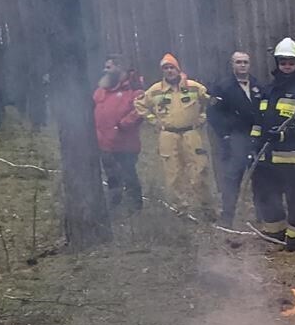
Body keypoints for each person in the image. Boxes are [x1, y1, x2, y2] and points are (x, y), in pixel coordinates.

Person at [248, 37, 295, 252]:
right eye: (283, 62)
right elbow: (258, 120)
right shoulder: (268, 89)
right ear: (277, 64)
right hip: (266, 158)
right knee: (267, 198)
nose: (286, 66)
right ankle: (274, 235)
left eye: (291, 62)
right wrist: (254, 143)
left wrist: (287, 134)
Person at [134, 53, 215, 219]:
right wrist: (153, 120)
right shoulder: (156, 90)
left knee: (200, 170)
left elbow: (211, 103)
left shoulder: (194, 87)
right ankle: (181, 210)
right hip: (168, 135)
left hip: (191, 134)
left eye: (172, 67)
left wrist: (203, 117)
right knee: (173, 175)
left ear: (178, 69)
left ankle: (207, 209)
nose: (169, 71)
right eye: (165, 68)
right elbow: (139, 104)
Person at [208, 51, 263, 227]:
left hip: (256, 137)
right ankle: (227, 217)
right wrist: (224, 135)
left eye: (245, 62)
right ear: (232, 64)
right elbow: (214, 114)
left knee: (260, 178)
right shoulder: (222, 87)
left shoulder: (258, 85)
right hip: (234, 139)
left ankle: (263, 216)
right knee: (232, 178)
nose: (242, 65)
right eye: (238, 62)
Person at [92, 55, 145, 210]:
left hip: (125, 144)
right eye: (105, 67)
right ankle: (115, 206)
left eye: (109, 67)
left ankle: (135, 207)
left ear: (120, 68)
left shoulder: (134, 90)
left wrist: (122, 125)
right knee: (112, 177)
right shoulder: (101, 90)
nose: (105, 70)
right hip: (104, 143)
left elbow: (140, 111)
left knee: (129, 176)